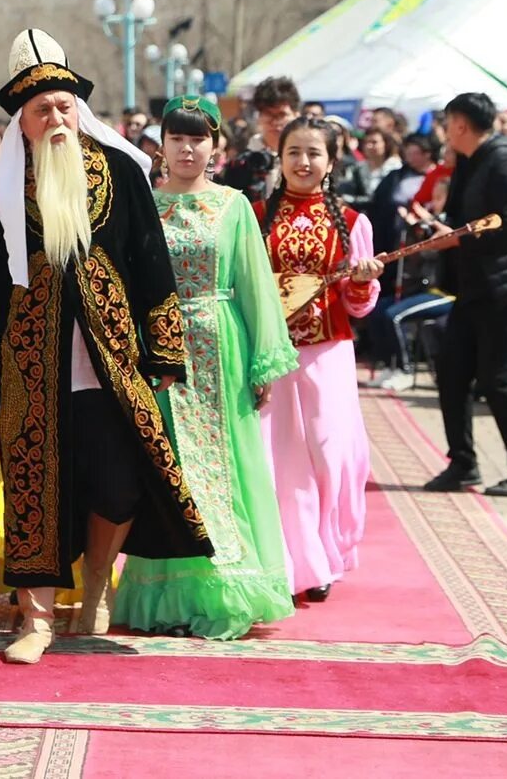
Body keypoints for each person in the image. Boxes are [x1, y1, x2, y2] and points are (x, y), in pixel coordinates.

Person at [0, 29, 211, 665]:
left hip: (112, 364)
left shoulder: (120, 172)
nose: (56, 117)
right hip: (29, 367)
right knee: (34, 491)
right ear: (24, 121)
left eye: (64, 105)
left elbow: (152, 265)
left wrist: (166, 352)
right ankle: (36, 618)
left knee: (119, 485)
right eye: (42, 110)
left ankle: (94, 590)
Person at [114, 95, 298, 639]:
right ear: (162, 146)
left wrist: (264, 362)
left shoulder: (234, 206)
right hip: (160, 351)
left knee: (226, 464)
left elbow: (255, 285)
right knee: (171, 469)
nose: (187, 148)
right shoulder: (143, 203)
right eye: (177, 138)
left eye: (198, 138)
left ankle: (226, 584)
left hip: (221, 342)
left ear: (215, 146)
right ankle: (169, 592)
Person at [260, 115, 382, 601]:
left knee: (328, 455)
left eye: (314, 154)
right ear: (280, 158)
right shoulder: (254, 216)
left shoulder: (354, 223)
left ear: (330, 163)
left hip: (327, 352)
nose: (303, 162)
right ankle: (288, 561)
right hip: (271, 354)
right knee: (279, 459)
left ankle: (326, 555)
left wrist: (359, 281)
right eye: (294, 152)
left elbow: (360, 306)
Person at [424, 92, 507, 497]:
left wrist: (456, 241)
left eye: (447, 123)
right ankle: (463, 464)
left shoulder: (505, 160)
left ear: (460, 124)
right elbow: (465, 219)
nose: (443, 132)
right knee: (452, 371)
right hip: (477, 285)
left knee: (499, 380)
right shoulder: (472, 160)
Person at [221, 75, 299, 207]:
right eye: (269, 113)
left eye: (282, 114)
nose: (275, 122)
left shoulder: (305, 160)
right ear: (258, 116)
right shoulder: (241, 163)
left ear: (296, 115)